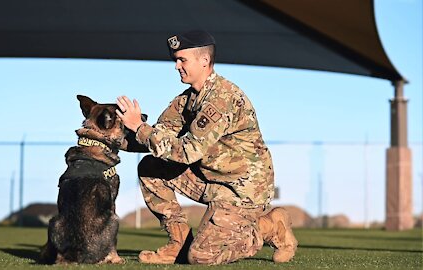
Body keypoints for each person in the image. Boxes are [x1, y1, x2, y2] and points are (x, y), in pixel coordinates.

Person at [81, 30, 297, 265]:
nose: (176, 66)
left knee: (201, 256)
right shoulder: (187, 100)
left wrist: (138, 126)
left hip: (242, 191)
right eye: (176, 60)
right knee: (151, 167)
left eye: (182, 59)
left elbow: (187, 152)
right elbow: (159, 138)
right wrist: (103, 136)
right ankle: (179, 243)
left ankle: (269, 226)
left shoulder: (222, 100)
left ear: (204, 61)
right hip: (211, 180)